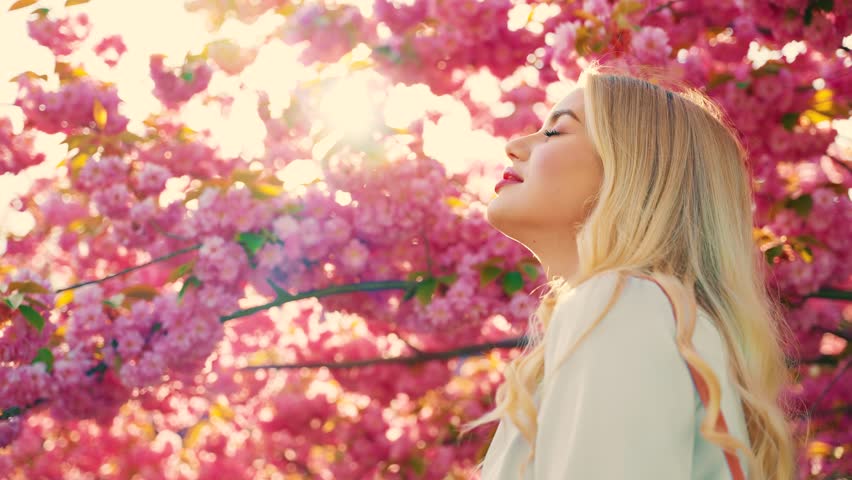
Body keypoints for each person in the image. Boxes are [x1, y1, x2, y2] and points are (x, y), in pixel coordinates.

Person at [459, 62, 800, 480]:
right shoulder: (646, 313)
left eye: (554, 131)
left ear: (633, 167)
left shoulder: (622, 304)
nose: (514, 144)